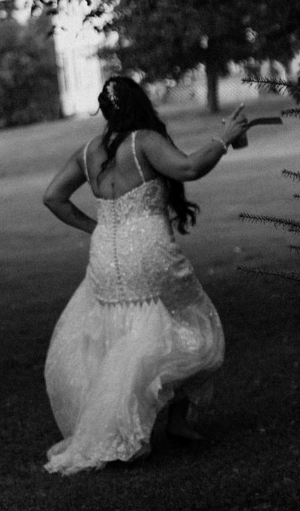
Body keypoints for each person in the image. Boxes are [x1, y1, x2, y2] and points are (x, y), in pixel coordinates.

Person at [40, 74, 248, 473]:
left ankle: (163, 422)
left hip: (106, 255)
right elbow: (187, 168)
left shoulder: (87, 151)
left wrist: (95, 227)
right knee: (193, 321)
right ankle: (166, 422)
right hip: (148, 251)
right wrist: (224, 139)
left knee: (123, 337)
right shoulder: (143, 141)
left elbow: (53, 197)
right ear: (140, 105)